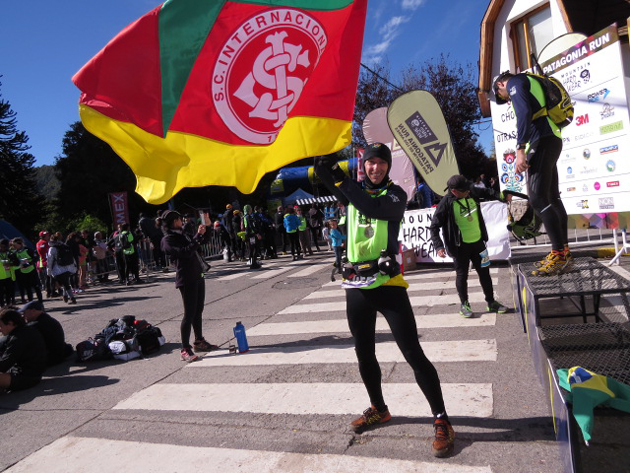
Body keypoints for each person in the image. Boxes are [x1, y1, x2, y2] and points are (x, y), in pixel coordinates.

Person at [314, 143, 455, 458]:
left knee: (412, 353)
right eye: (370, 162)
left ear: (388, 167)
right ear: (363, 165)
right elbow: (323, 173)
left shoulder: (395, 195)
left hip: (388, 284)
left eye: (381, 163)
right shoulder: (350, 192)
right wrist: (322, 151)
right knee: (364, 353)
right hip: (356, 285)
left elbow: (372, 208)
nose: (375, 168)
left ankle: (442, 419)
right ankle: (379, 408)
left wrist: (341, 177)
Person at [493, 71, 571, 276]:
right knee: (552, 198)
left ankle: (559, 254)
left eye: (503, 97)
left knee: (537, 199)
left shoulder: (515, 82)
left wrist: (520, 149)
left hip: (542, 139)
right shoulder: (529, 80)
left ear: (500, 84)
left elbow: (524, 112)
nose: (508, 100)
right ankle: (564, 253)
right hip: (551, 137)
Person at [429, 174, 509, 318]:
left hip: (479, 244)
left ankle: (491, 302)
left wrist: (501, 196)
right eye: (464, 190)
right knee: (462, 276)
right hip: (460, 247)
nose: (468, 191)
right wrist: (438, 246)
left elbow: (487, 192)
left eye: (468, 188)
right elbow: (434, 226)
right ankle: (464, 304)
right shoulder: (446, 203)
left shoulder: (470, 191)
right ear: (454, 191)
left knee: (485, 273)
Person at [161, 210, 219, 362]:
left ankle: (199, 341)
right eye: (180, 219)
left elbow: (200, 243)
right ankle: (185, 349)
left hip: (198, 274)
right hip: (186, 279)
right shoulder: (168, 239)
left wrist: (207, 227)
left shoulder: (182, 234)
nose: (182, 221)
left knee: (198, 310)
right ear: (175, 221)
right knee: (189, 313)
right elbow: (185, 252)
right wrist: (198, 235)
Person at [0, 307, 47, 392]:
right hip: (33, 373)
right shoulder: (26, 330)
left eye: (1, 326)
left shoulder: (18, 338)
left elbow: (4, 365)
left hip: (27, 377)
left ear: (10, 323)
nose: (0, 329)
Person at [20, 300, 73, 365]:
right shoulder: (46, 319)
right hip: (58, 354)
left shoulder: (37, 324)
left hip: (50, 358)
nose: (23, 316)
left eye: (24, 313)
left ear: (33, 311)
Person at [10, 238, 42, 304]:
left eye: (15, 245)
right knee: (28, 289)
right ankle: (31, 304)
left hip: (32, 271)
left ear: (20, 244)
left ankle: (40, 302)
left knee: (36, 287)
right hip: (23, 272)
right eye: (13, 245)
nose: (13, 246)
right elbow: (15, 262)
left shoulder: (27, 250)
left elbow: (36, 258)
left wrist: (29, 264)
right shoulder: (15, 253)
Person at [47, 234, 77, 305]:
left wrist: (49, 270)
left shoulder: (52, 248)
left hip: (58, 269)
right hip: (69, 267)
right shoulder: (65, 246)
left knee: (64, 283)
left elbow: (50, 260)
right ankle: (65, 295)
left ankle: (72, 298)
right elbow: (72, 257)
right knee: (65, 282)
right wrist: (74, 266)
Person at [0, 239, 18, 307]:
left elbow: (17, 263)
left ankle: (8, 306)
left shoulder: (10, 253)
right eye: (0, 246)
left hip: (9, 276)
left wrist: (10, 264)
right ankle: (2, 307)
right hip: (0, 277)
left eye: (3, 246)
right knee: (1, 294)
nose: (1, 248)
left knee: (8, 293)